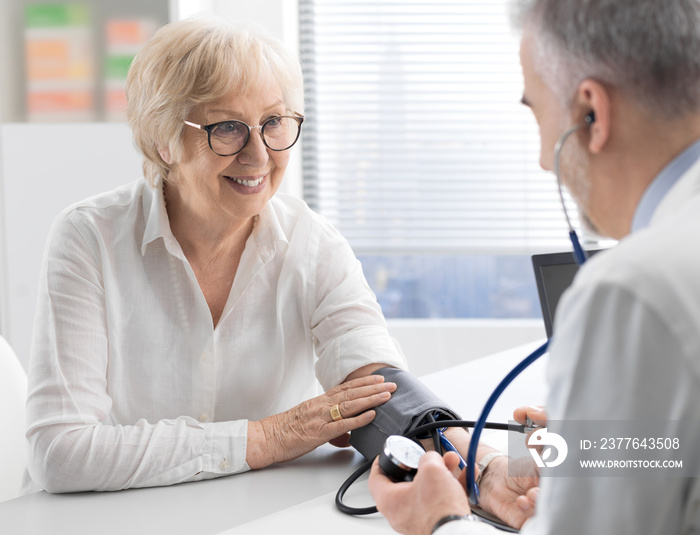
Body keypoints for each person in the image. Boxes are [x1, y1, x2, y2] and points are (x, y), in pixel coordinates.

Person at [23, 17, 408, 493]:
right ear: (163, 140)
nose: (260, 156)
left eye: (273, 122)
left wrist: (488, 465)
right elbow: (60, 452)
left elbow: (383, 390)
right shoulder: (88, 239)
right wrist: (268, 437)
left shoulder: (314, 243)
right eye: (227, 128)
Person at [368, 0, 700, 533]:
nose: (545, 159)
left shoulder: (632, 290)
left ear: (591, 112)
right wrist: (600, 453)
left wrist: (440, 522)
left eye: (537, 112)